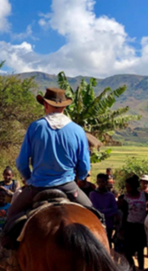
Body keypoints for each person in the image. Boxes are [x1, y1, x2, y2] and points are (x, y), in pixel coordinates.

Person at [8, 88, 92, 233]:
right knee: (95, 216)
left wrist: (29, 179)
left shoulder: (35, 127)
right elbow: (84, 166)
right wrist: (80, 178)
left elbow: (21, 162)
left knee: (11, 219)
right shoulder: (78, 130)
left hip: (38, 187)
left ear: (46, 105)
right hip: (68, 187)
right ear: (64, 107)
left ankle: (5, 251)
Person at [119, 175, 148, 271]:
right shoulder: (125, 198)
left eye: (129, 186)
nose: (127, 189)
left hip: (141, 227)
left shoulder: (144, 195)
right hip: (130, 226)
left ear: (135, 186)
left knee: (140, 250)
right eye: (126, 186)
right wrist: (123, 227)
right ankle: (133, 270)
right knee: (128, 251)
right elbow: (125, 213)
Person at [90, 174, 119, 247]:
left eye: (103, 182)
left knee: (108, 242)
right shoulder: (93, 194)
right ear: (97, 182)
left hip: (109, 224)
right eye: (99, 182)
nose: (101, 184)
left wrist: (102, 211)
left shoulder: (110, 195)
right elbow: (94, 209)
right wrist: (107, 210)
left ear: (106, 182)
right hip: (97, 223)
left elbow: (115, 209)